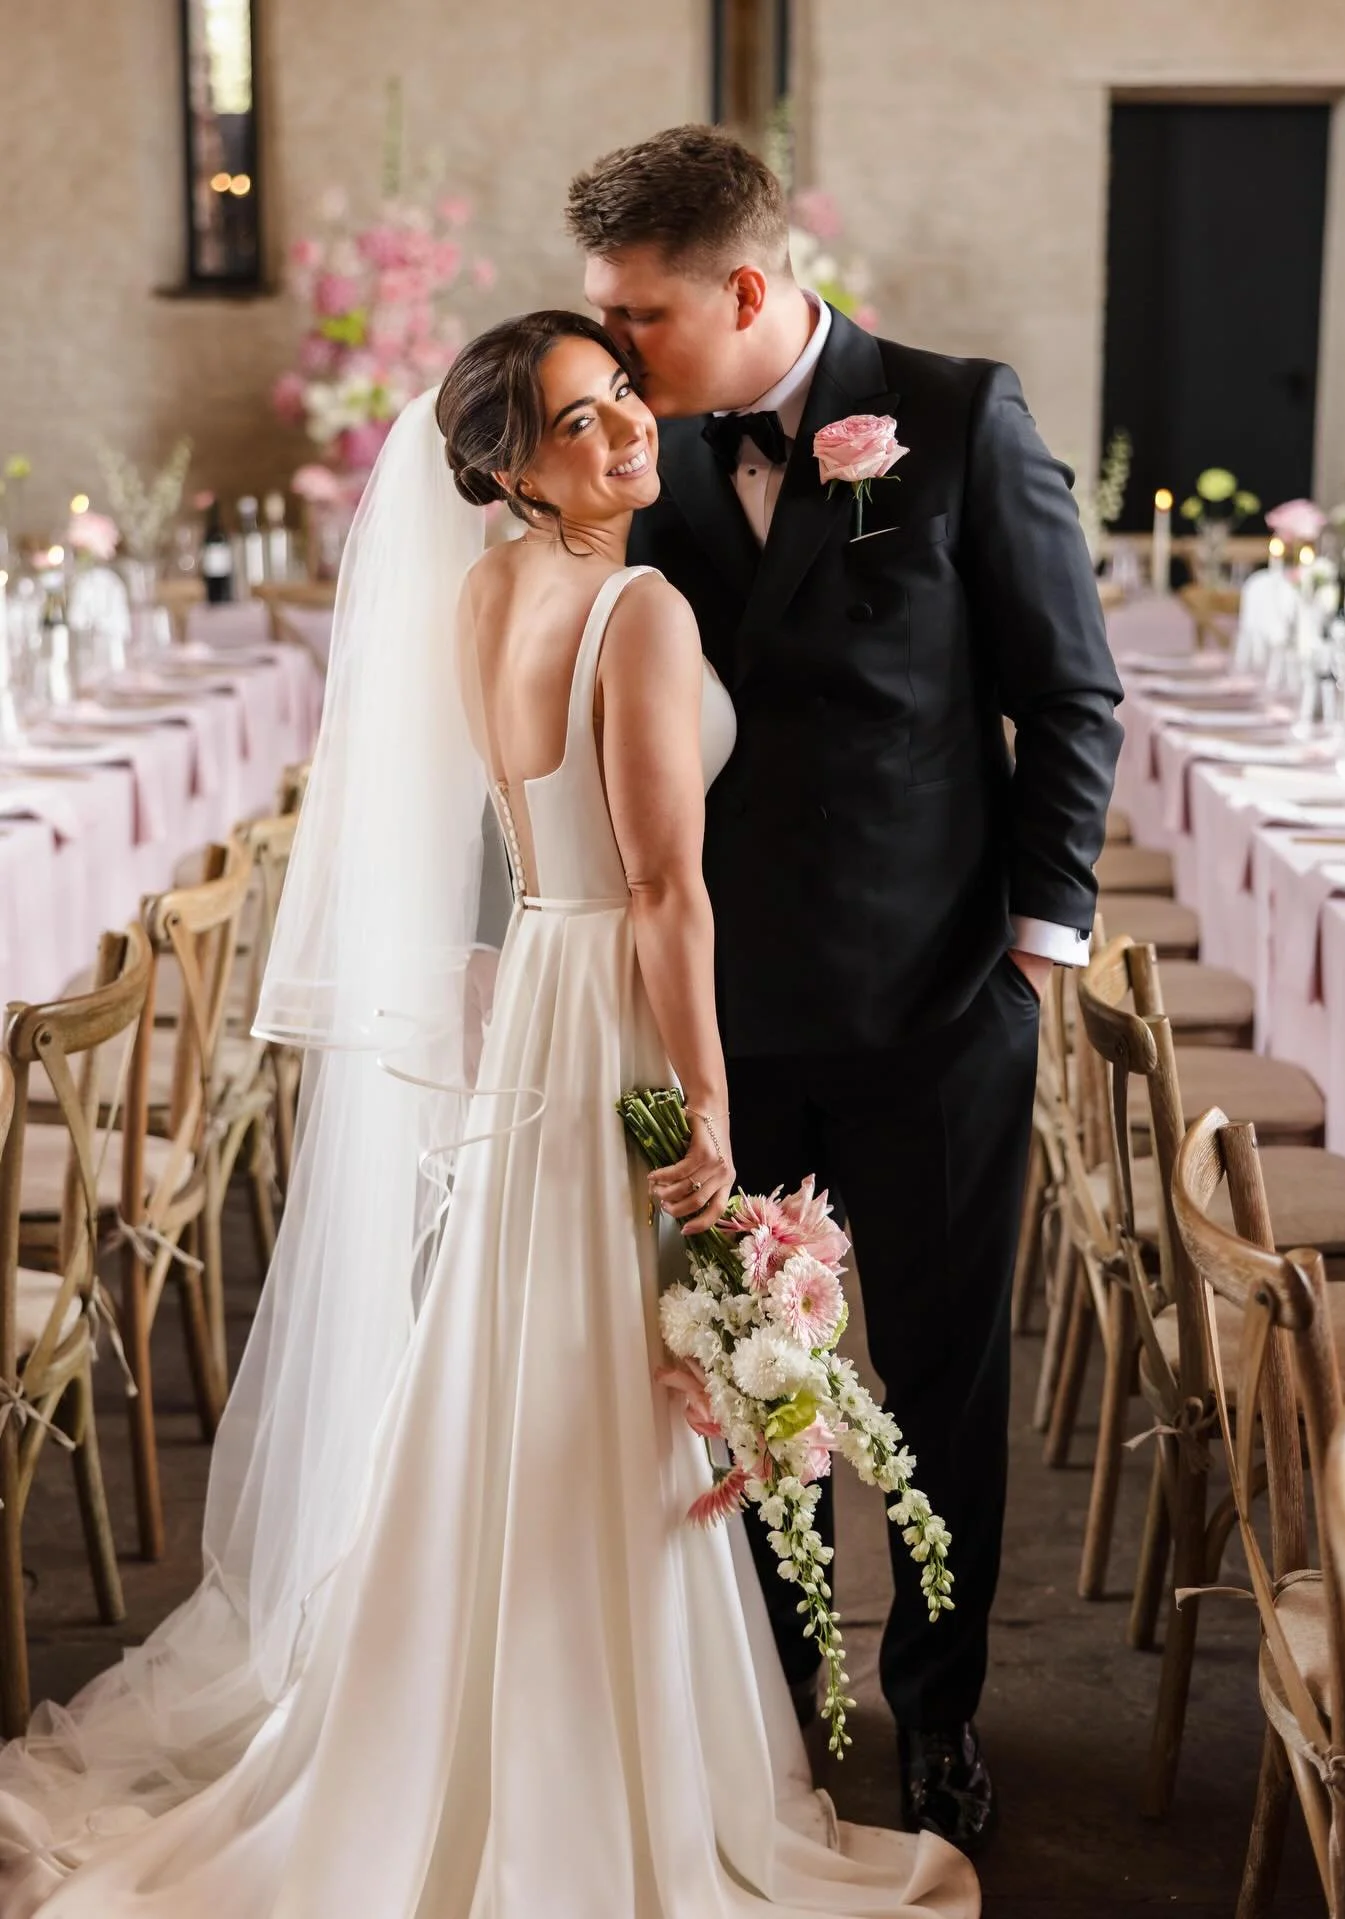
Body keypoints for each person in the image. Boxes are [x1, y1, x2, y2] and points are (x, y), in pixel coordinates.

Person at [0, 313, 978, 1917]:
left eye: (624, 403)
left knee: (525, 1361)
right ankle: (598, 1770)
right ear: (504, 467)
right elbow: (667, 889)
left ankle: (447, 1728)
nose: (625, 439)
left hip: (535, 982)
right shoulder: (643, 608)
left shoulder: (482, 590)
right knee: (594, 1371)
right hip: (608, 1011)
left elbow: (520, 836)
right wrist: (709, 1111)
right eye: (580, 426)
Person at [567, 124, 1124, 1855]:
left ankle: (940, 1716)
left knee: (943, 1375)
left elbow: (1073, 698)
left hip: (938, 1009)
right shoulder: (629, 458)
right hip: (714, 1025)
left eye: (639, 317)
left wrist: (1033, 954)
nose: (611, 354)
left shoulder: (958, 419)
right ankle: (787, 1713)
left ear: (746, 290)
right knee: (738, 1387)